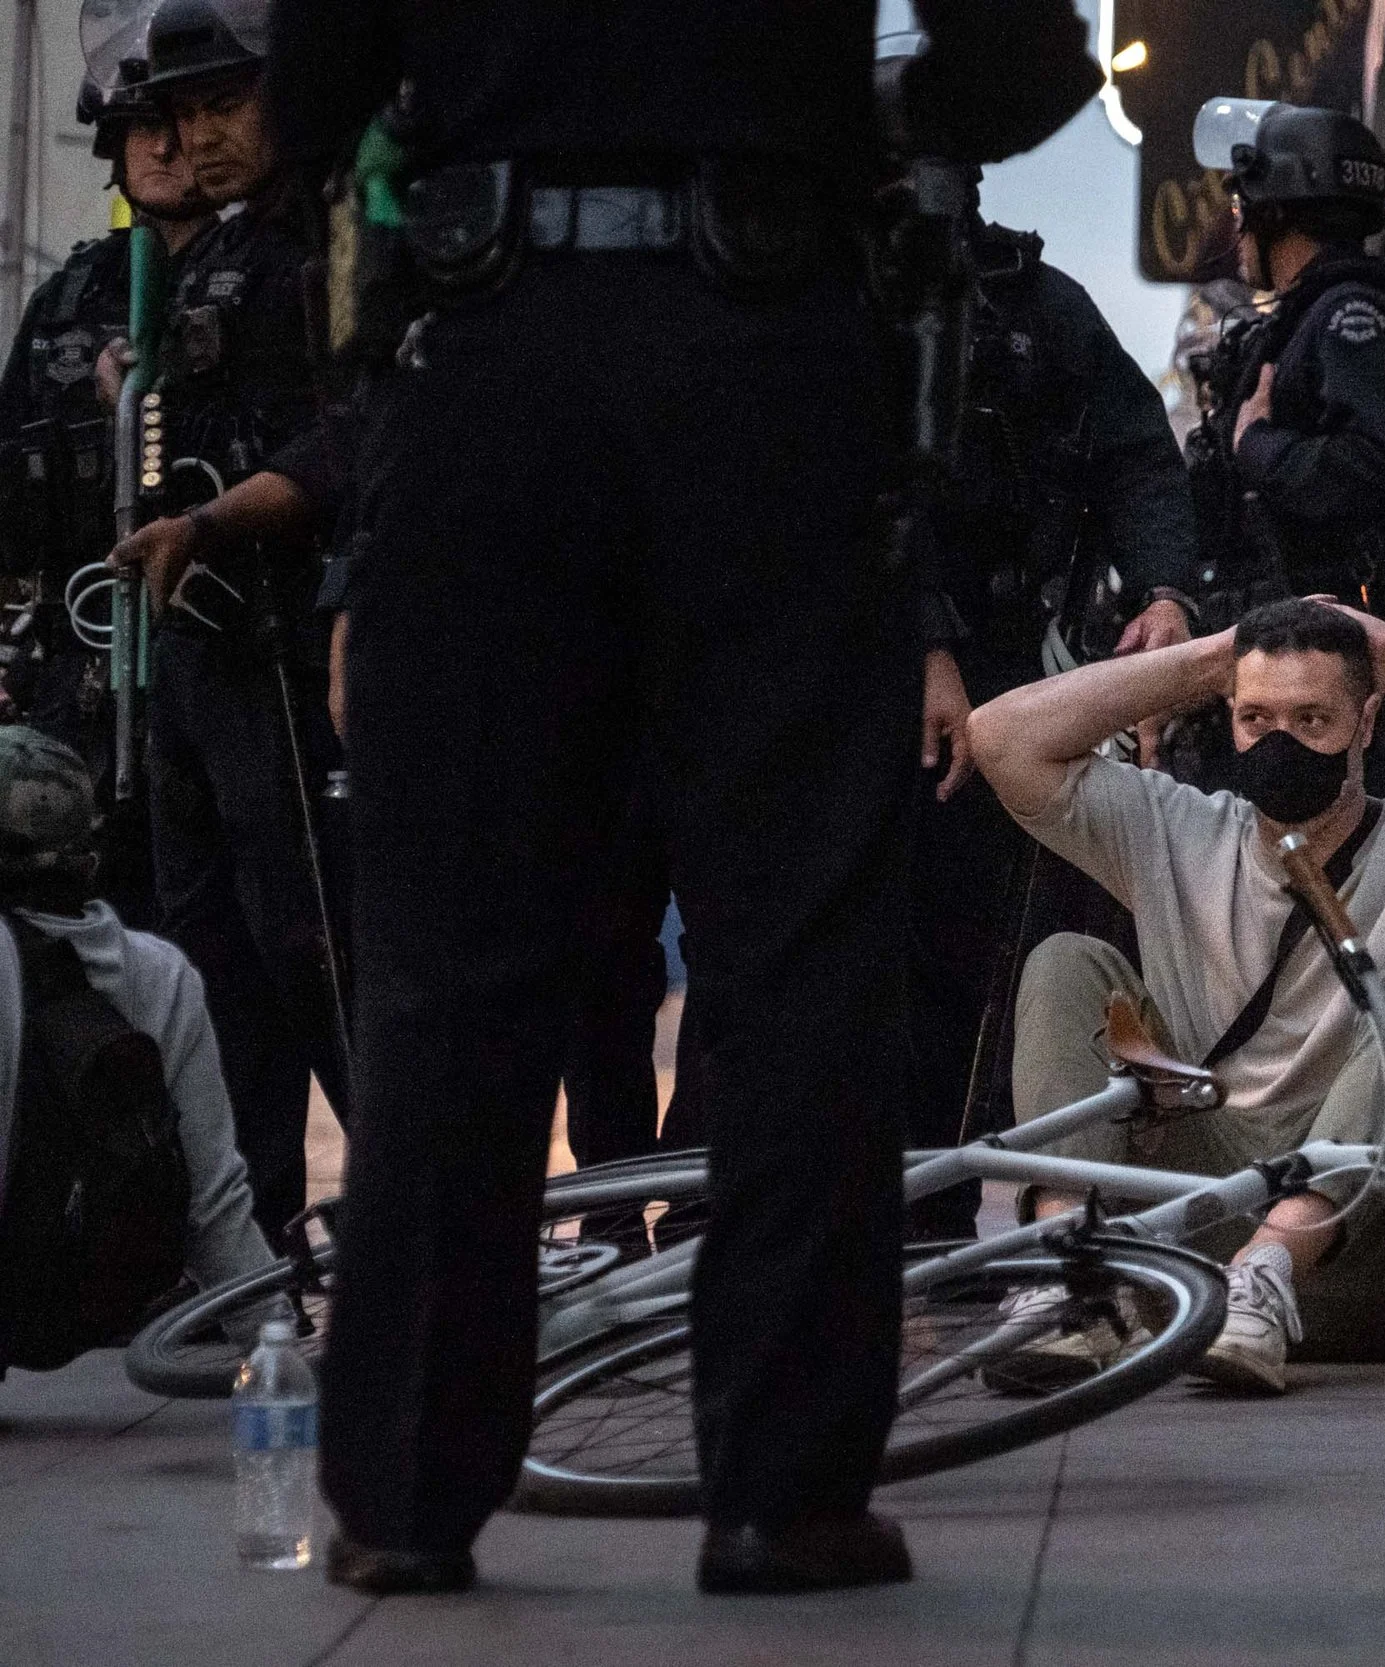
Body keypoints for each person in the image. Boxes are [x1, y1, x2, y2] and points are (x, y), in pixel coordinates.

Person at [263, 0, 1102, 1596]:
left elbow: (312, 95)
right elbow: (1022, 66)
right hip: (768, 357)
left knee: (453, 959)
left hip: (484, 353)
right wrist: (846, 113)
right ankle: (783, 1492)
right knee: (798, 951)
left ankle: (407, 1492)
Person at [965, 597, 1385, 1392]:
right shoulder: (1177, 830)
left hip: (1379, 1250)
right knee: (1065, 963)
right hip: (1201, 1244)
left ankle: (1271, 1265)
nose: (1281, 741)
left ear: (1366, 723)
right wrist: (1215, 655)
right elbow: (998, 737)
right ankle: (1076, 1283)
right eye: (1257, 717)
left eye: (1313, 718)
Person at [99, 0, 351, 1256]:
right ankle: (248, 1243)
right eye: (178, 111)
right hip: (196, 660)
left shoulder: (322, 235)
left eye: (221, 105)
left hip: (286, 649)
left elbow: (354, 435)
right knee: (214, 964)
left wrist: (213, 521)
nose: (195, 135)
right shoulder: (209, 255)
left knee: (319, 950)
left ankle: (425, 1216)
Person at [908, 200, 1196, 1240]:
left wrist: (1165, 593)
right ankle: (702, 1211)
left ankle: (934, 1214)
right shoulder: (827, 280)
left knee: (965, 948)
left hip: (1001, 667)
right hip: (852, 659)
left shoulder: (1035, 305)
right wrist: (920, 640)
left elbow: (1137, 461)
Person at [1178, 100, 1385, 798]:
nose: (1237, 222)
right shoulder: (1301, 322)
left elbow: (1379, 464)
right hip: (1296, 669)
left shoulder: (1353, 315)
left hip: (1340, 677)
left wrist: (1258, 446)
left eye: (1243, 203)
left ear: (1277, 209)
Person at [0, 70, 217, 926]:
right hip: (73, 693)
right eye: (139, 127)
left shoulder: (265, 278)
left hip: (220, 678)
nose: (164, 146)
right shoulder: (65, 303)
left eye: (179, 122)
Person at [0, 724, 274, 1371]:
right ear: (87, 857)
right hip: (90, 1297)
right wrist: (277, 1350)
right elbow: (215, 1199)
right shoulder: (159, 972)